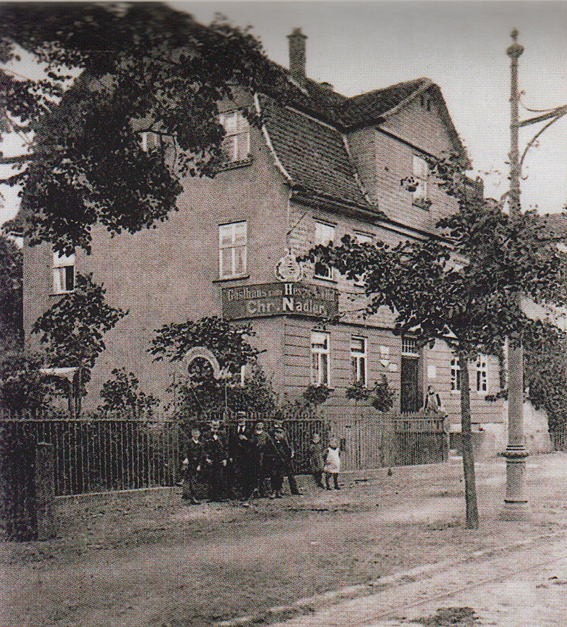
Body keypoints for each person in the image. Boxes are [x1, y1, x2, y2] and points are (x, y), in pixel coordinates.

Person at [228, 412, 253, 500]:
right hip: (236, 455)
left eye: (242, 418)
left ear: (245, 419)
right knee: (236, 474)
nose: (240, 419)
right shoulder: (233, 429)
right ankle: (236, 494)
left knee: (246, 475)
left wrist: (246, 439)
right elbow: (230, 442)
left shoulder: (250, 428)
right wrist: (230, 456)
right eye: (239, 418)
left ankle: (246, 494)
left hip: (247, 456)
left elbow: (254, 441)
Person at [272, 420, 301, 495]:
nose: (279, 423)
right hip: (279, 456)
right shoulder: (272, 431)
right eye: (278, 422)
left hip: (287, 455)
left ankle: (294, 490)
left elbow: (289, 441)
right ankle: (278, 490)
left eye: (281, 422)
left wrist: (292, 451)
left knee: (291, 474)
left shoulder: (285, 431)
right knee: (279, 474)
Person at [203, 419, 228, 502]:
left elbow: (226, 447)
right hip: (211, 458)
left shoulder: (222, 434)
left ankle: (219, 496)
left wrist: (225, 458)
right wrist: (206, 458)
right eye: (214, 425)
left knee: (220, 477)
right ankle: (211, 497)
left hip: (220, 458)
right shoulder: (206, 434)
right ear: (211, 425)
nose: (215, 426)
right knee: (211, 477)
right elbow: (204, 448)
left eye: (217, 425)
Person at [181, 426, 204, 504]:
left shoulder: (201, 444)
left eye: (197, 434)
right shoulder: (188, 442)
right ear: (192, 434)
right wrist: (186, 458)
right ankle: (190, 496)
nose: (196, 435)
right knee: (189, 480)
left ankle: (194, 496)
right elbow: (185, 451)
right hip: (190, 463)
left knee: (195, 480)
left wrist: (199, 465)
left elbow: (201, 456)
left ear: (199, 435)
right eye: (194, 434)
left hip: (197, 464)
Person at [269, 426, 293, 498]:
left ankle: (278, 491)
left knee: (280, 477)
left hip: (281, 462)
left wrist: (285, 458)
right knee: (274, 476)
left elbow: (288, 451)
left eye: (280, 433)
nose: (279, 435)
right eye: (277, 433)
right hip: (274, 462)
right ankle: (273, 491)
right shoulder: (271, 442)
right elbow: (269, 450)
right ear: (274, 433)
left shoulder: (283, 442)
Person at [250, 421, 271, 497]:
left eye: (261, 424)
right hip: (254, 456)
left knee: (262, 473)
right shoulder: (252, 434)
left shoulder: (265, 434)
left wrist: (264, 446)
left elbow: (269, 444)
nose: (260, 425)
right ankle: (255, 490)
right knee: (254, 473)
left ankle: (262, 490)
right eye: (258, 424)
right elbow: (250, 442)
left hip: (263, 456)